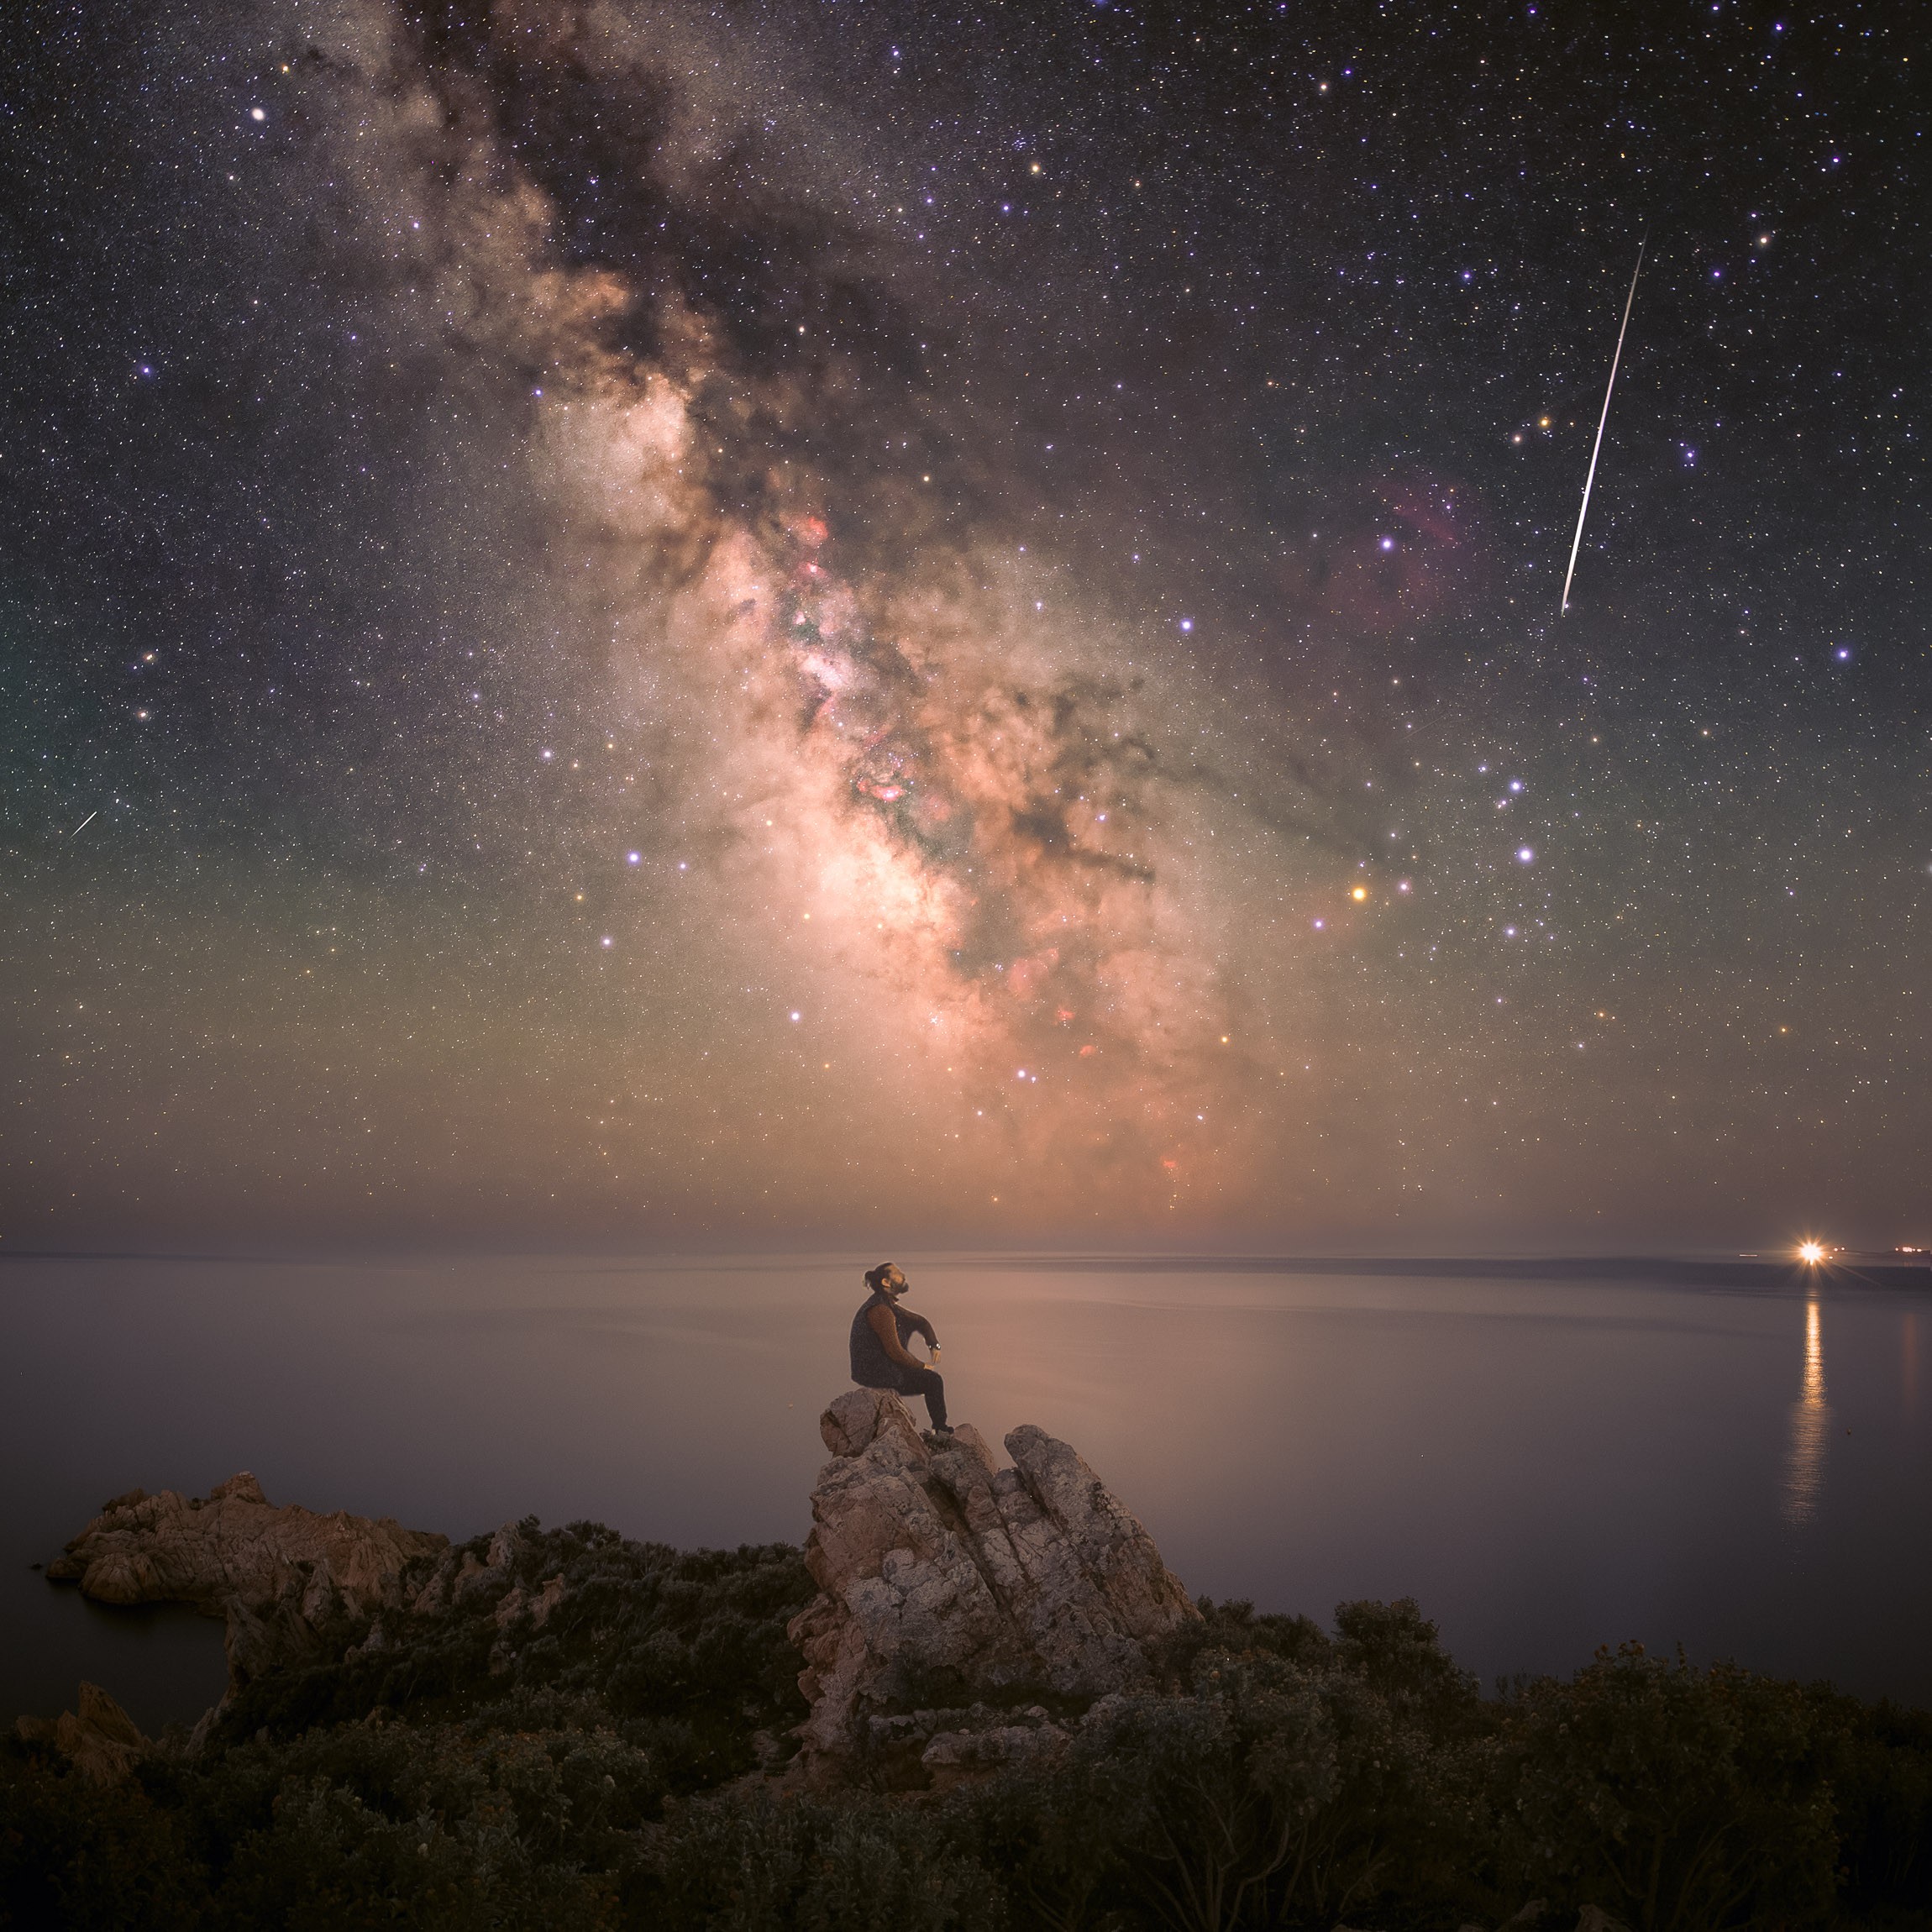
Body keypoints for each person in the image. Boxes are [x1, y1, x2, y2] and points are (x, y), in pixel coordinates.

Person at [849, 1261, 952, 1434]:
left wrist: (934, 1344)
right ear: (886, 1282)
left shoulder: (888, 1305)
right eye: (897, 1273)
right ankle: (941, 1431)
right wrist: (922, 1366)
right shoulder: (881, 1310)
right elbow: (895, 1352)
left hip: (882, 1368)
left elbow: (921, 1321)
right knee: (933, 1381)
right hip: (876, 1374)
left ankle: (940, 1430)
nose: (902, 1275)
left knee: (929, 1379)